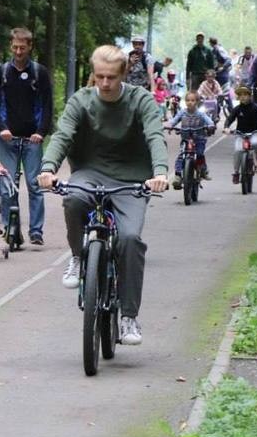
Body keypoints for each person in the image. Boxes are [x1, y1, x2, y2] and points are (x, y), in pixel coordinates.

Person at [37, 45, 169, 346]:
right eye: (99, 77)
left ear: (123, 75)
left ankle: (129, 317)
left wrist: (159, 173)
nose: (105, 83)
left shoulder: (141, 100)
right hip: (90, 172)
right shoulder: (81, 101)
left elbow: (154, 135)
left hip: (132, 179)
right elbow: (63, 135)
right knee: (72, 198)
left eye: (111, 77)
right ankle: (77, 256)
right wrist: (48, 168)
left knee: (130, 239)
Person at [0, 27, 54, 245]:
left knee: (34, 185)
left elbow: (47, 105)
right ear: (10, 46)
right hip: (8, 138)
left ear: (30, 47)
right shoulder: (2, 72)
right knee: (7, 185)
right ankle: (9, 227)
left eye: (22, 48)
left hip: (32, 139)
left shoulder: (39, 72)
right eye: (15, 47)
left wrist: (40, 132)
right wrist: (1, 128)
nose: (18, 51)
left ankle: (36, 231)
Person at [165, 90, 215, 188]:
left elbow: (208, 120)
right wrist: (170, 125)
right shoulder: (182, 112)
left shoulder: (200, 114)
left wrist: (211, 125)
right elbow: (174, 120)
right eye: (187, 100)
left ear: (197, 102)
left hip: (199, 139)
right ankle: (178, 176)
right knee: (181, 156)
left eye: (192, 100)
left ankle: (203, 170)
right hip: (185, 139)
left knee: (200, 154)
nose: (190, 102)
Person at [223, 85, 257, 180]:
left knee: (256, 143)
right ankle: (236, 172)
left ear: (250, 96)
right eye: (240, 95)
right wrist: (226, 128)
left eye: (245, 94)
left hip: (254, 132)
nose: (243, 97)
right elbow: (229, 119)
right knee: (238, 151)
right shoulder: (237, 109)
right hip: (240, 134)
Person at [208, 37, 234, 113]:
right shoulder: (213, 51)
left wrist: (222, 67)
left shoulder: (219, 49)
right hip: (217, 76)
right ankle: (215, 115)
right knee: (216, 96)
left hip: (223, 76)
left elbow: (228, 60)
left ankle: (232, 114)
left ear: (211, 43)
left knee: (226, 95)